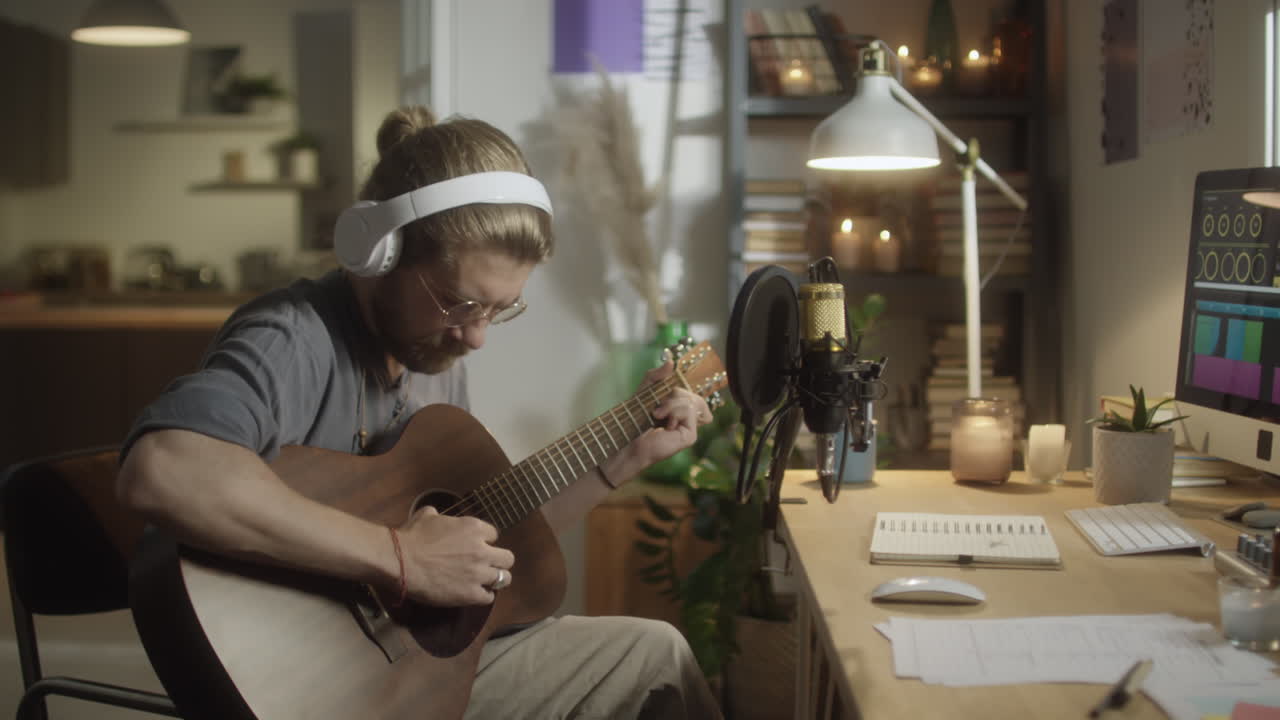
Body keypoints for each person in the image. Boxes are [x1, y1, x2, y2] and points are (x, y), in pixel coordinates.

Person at [116, 105, 722, 719]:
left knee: (655, 654)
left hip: (400, 672)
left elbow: (487, 531)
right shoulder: (292, 339)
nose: (476, 337)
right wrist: (400, 556)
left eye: (499, 310)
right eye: (460, 303)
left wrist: (619, 463)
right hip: (309, 685)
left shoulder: (435, 366)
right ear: (377, 254)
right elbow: (164, 469)